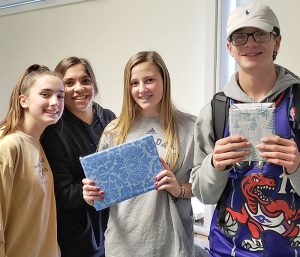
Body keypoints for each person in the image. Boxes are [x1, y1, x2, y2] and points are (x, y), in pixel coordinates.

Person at [191, 3, 300, 257]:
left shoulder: (297, 102)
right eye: (240, 36)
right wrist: (215, 166)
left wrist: (297, 167)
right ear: (229, 47)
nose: (250, 43)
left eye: (260, 33)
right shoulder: (215, 110)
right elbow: (202, 193)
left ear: (277, 41)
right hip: (228, 250)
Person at [82, 51, 196, 257]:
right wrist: (91, 195)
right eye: (134, 83)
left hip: (172, 247)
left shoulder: (191, 127)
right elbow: (101, 194)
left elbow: (205, 188)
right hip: (123, 246)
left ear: (164, 80)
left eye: (149, 80)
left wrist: (178, 189)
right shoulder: (114, 130)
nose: (142, 89)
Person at [41, 57, 116, 257]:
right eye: (69, 83)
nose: (79, 88)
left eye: (85, 80)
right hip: (78, 236)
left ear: (94, 85)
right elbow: (59, 191)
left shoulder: (109, 118)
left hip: (115, 227)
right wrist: (85, 192)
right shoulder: (53, 130)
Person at [0, 64, 64, 257]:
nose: (55, 102)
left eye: (60, 96)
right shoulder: (9, 145)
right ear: (24, 101)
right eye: (45, 94)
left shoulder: (37, 143)